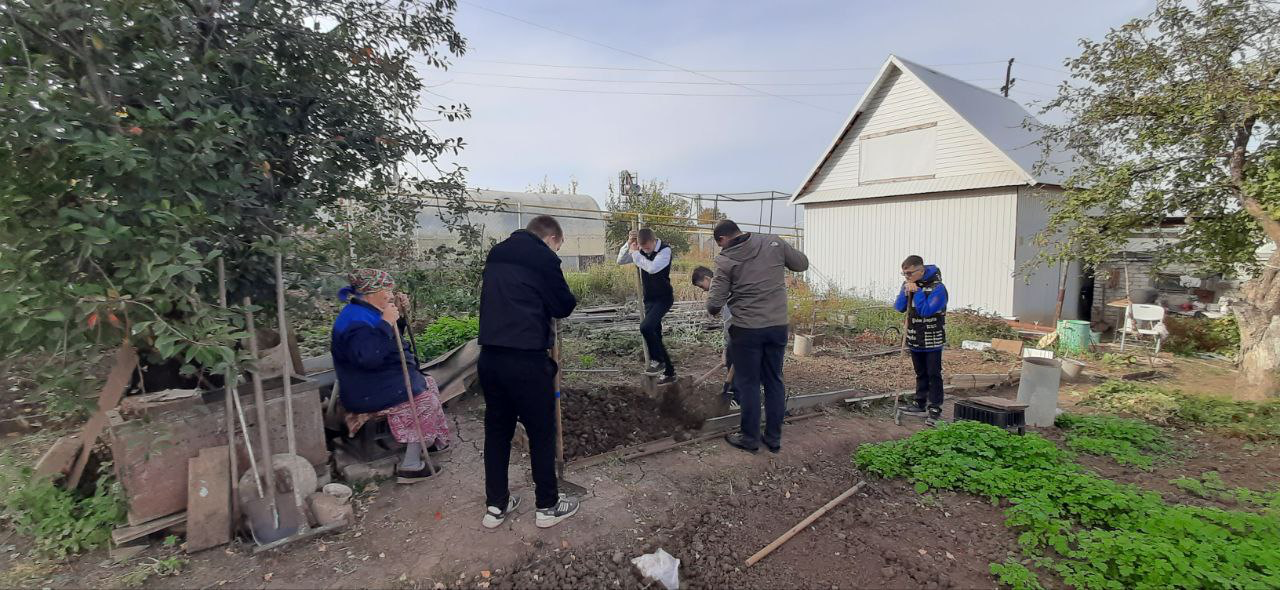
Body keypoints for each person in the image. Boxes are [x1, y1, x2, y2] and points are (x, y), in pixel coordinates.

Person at [478, 215, 580, 529]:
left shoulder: (497, 253)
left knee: (497, 433)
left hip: (490, 359)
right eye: (558, 246)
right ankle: (547, 507)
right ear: (551, 238)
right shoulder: (543, 258)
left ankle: (496, 506)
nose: (557, 251)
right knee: (540, 433)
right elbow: (563, 305)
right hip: (527, 362)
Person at [330, 268, 452, 484]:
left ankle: (428, 440)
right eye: (386, 289)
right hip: (366, 391)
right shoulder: (355, 321)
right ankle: (411, 466)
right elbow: (369, 357)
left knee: (428, 383)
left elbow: (387, 342)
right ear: (370, 292)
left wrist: (399, 318)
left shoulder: (368, 310)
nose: (390, 294)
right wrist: (386, 322)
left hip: (378, 381)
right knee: (424, 400)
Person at [705, 220, 809, 454]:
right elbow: (801, 264)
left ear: (722, 239)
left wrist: (711, 311)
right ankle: (773, 438)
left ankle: (750, 438)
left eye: (719, 244)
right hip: (777, 326)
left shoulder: (725, 259)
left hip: (746, 329)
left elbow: (715, 301)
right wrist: (780, 252)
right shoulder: (773, 242)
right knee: (774, 380)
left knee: (749, 382)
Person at [617, 228, 677, 384]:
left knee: (646, 327)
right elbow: (621, 260)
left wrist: (636, 254)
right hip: (649, 299)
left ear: (653, 240)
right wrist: (629, 244)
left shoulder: (665, 250)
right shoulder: (640, 250)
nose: (645, 250)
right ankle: (670, 373)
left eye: (647, 247)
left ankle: (658, 361)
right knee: (656, 336)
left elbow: (652, 268)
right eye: (642, 248)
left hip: (664, 298)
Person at [894, 255, 949, 424]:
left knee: (933, 374)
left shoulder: (938, 288)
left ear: (920, 270)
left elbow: (926, 311)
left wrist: (917, 293)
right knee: (920, 373)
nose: (907, 277)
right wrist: (905, 293)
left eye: (909, 273)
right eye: (904, 274)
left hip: (932, 338)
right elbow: (898, 307)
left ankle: (935, 407)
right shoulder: (909, 284)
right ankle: (919, 402)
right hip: (914, 336)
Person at [691, 265, 738, 410]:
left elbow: (729, 322)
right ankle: (735, 394)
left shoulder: (728, 290)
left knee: (739, 363)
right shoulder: (723, 291)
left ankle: (738, 398)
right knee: (732, 358)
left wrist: (729, 347)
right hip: (739, 332)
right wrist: (725, 349)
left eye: (702, 287)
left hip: (744, 332)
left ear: (707, 278)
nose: (704, 290)